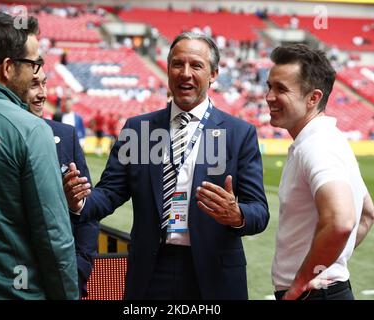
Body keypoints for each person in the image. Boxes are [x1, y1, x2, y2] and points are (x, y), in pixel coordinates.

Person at [63, 32, 269, 300]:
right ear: (167, 68)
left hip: (213, 274)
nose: (185, 73)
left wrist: (237, 214)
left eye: (196, 65)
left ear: (214, 74)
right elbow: (110, 193)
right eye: (177, 64)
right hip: (151, 270)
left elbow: (259, 212)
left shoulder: (239, 133)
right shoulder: (139, 130)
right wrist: (77, 202)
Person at [0, 12, 78, 299]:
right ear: (8, 68)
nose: (37, 72)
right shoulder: (30, 130)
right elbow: (53, 237)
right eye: (34, 63)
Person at [266, 44, 374, 300]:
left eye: (281, 89)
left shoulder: (317, 145)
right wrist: (327, 263)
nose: (269, 96)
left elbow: (341, 221)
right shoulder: (327, 139)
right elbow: (367, 215)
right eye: (269, 86)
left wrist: (302, 282)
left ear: (313, 98)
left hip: (314, 295)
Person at [26, 68, 99, 298]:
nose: (42, 94)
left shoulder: (66, 135)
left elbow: (87, 210)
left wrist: (80, 266)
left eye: (44, 84)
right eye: (33, 85)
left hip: (64, 278)